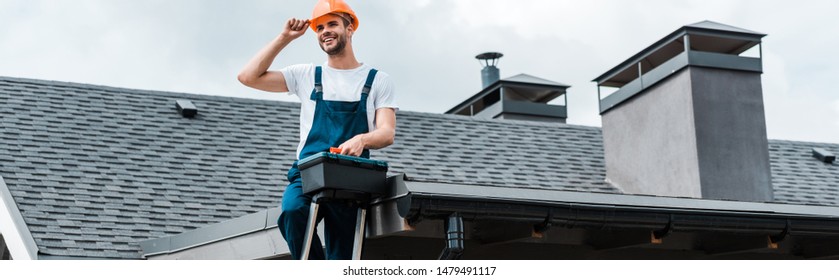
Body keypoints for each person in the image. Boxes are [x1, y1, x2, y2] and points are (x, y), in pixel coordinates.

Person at [237, 0, 397, 260]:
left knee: (344, 256)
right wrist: (284, 38)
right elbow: (248, 77)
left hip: (350, 177)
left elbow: (386, 132)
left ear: (350, 29)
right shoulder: (307, 75)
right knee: (292, 212)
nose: (325, 31)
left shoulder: (378, 80)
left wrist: (362, 139)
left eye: (332, 24)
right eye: (320, 27)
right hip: (308, 172)